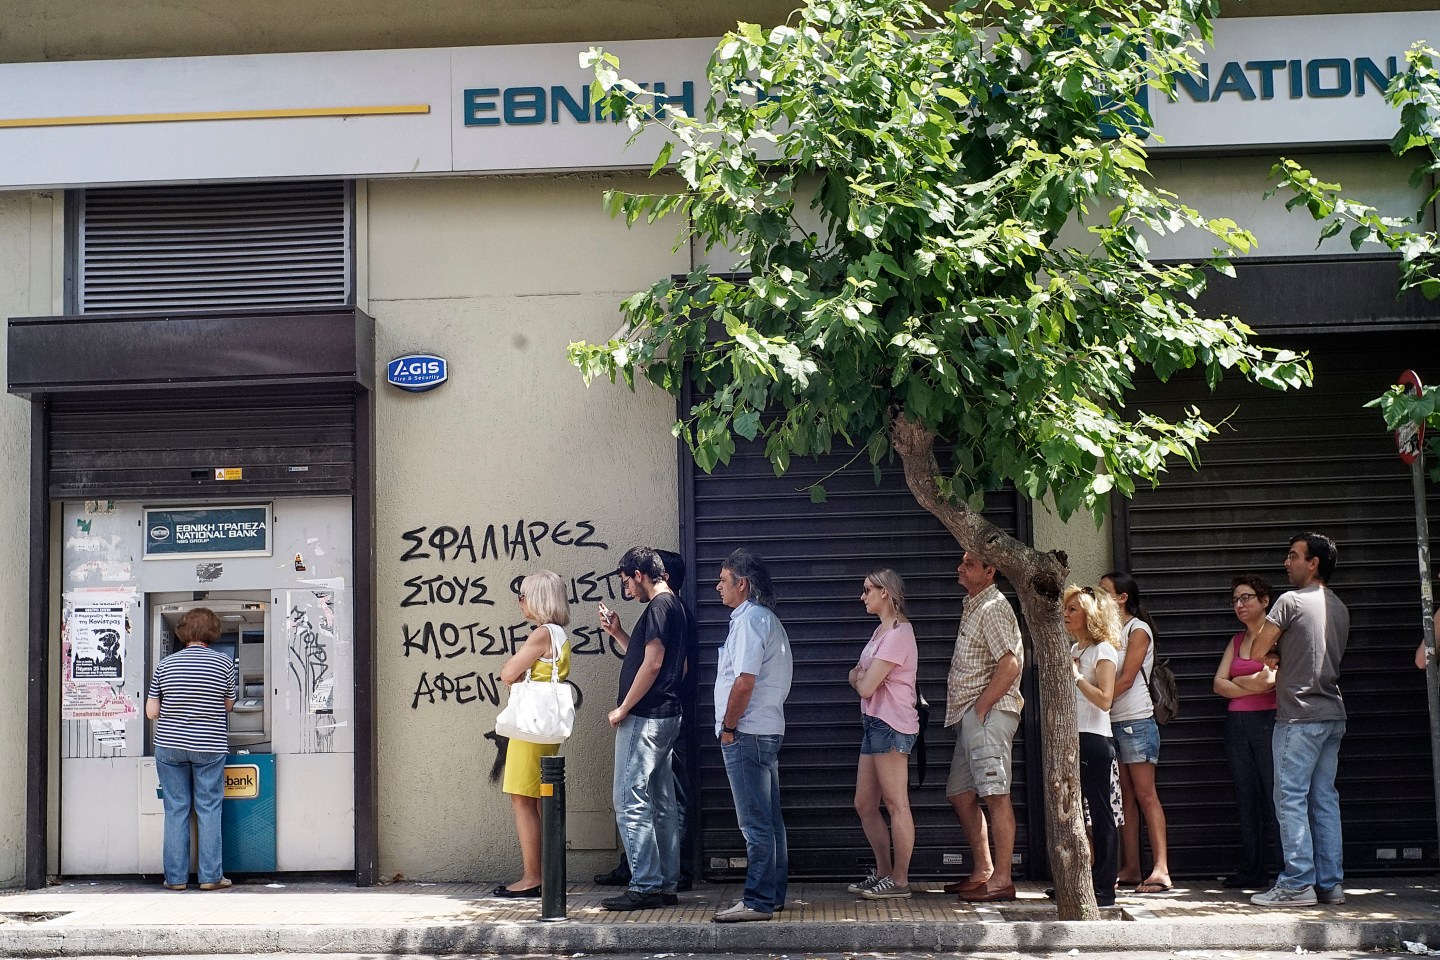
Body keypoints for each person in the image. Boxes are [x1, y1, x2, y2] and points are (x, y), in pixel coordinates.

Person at [1248, 533, 1349, 908]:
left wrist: (1272, 652)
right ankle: (1329, 885)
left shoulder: (1290, 601)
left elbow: (1257, 648)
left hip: (1298, 716)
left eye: (1293, 556)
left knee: (1290, 799)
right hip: (1332, 714)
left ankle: (1295, 885)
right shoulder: (1339, 606)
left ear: (1314, 563)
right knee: (1324, 800)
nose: (1286, 563)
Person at [595, 549, 700, 892]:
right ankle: (665, 882)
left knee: (628, 798)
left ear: (639, 574)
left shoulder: (658, 607)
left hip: (646, 716)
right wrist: (618, 634)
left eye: (626, 580)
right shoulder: (676, 607)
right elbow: (660, 661)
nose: (626, 588)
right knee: (663, 801)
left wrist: (624, 708)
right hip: (667, 715)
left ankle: (645, 884)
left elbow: (653, 665)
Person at [711, 548, 794, 923]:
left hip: (746, 733)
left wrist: (729, 728)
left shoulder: (748, 622)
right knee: (770, 820)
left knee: (755, 823)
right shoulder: (765, 620)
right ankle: (772, 896)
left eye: (724, 581)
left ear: (742, 584)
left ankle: (757, 901)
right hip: (764, 730)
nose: (717, 587)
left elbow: (744, 682)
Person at [945, 552, 1024, 904]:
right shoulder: (975, 603)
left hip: (986, 714)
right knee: (961, 793)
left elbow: (1010, 663)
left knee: (995, 794)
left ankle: (1003, 881)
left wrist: (981, 706)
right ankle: (984, 871)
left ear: (990, 571)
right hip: (972, 716)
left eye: (970, 564)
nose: (960, 568)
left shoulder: (992, 607)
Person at [145, 607, 237, 892]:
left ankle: (176, 879)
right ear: (213, 631)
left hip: (170, 746)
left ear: (182, 632)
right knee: (209, 809)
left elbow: (151, 712)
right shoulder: (223, 663)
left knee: (176, 810)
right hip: (209, 746)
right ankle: (211, 877)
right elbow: (229, 704)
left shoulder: (166, 664)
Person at [492, 570, 572, 899]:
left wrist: (519, 670)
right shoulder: (559, 634)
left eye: (523, 596)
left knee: (522, 800)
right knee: (537, 800)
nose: (519, 602)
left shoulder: (541, 635)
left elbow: (508, 673)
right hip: (543, 727)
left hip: (530, 727)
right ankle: (544, 875)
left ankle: (532, 877)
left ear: (538, 599)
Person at [846, 569, 919, 901]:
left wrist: (859, 677)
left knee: (895, 803)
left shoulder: (899, 634)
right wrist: (859, 677)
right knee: (865, 803)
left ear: (885, 593)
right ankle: (884, 873)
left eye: (867, 590)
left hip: (890, 724)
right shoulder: (881, 632)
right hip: (873, 723)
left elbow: (865, 684)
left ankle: (900, 881)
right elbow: (858, 677)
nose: (863, 597)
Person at [1098, 571, 1171, 894]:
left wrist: (1099, 702)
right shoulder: (1110, 632)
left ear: (1123, 597)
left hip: (1137, 720)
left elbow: (1125, 679)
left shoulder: (1137, 630)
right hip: (1114, 721)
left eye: (1105, 591)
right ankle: (1130, 867)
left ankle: (1160, 870)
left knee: (1145, 795)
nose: (1100, 596)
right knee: (1125, 797)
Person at [1212, 573, 1281, 890]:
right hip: (1237, 725)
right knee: (1245, 795)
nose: (1239, 605)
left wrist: (1237, 685)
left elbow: (1269, 682)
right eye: (1235, 600)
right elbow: (1217, 684)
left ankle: (1283, 869)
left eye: (1246, 598)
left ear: (1264, 600)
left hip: (1268, 722)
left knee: (1274, 795)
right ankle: (1252, 868)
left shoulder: (1277, 637)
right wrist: (1247, 686)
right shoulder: (1236, 641)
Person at [1063, 585, 1121, 908]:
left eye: (1073, 609)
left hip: (1096, 739)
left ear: (1090, 614)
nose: (1066, 614)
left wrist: (1076, 677)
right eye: (1066, 609)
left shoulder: (1103, 651)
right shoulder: (1077, 648)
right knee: (1076, 814)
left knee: (1101, 814)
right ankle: (1078, 881)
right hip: (1074, 738)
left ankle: (1104, 887)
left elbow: (1105, 700)